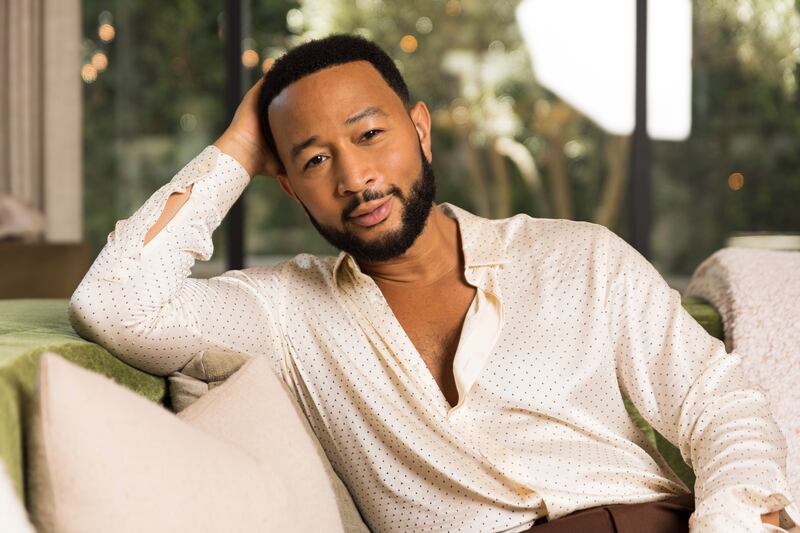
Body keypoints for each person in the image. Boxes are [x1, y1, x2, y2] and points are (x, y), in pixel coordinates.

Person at [69, 34, 798, 533]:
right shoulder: (287, 313)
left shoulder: (580, 258)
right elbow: (117, 302)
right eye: (315, 160)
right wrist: (235, 147)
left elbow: (718, 403)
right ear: (286, 186)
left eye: (368, 134)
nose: (355, 178)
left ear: (419, 128)